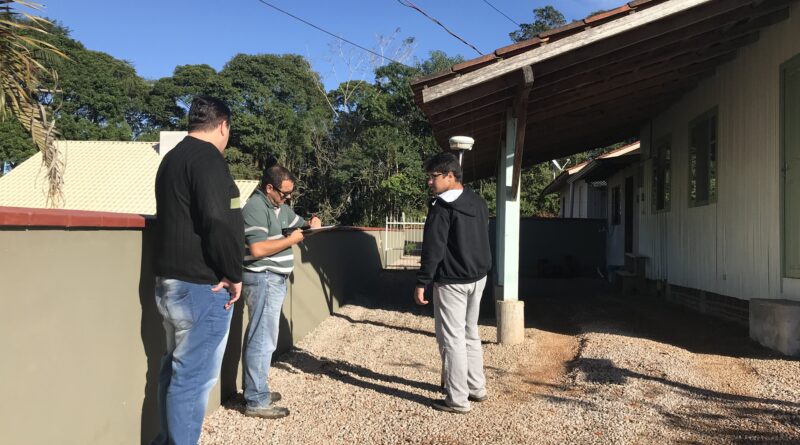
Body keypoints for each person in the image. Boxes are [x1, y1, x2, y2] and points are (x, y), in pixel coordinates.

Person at [152, 96, 244, 444]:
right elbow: (217, 220)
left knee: (173, 372)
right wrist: (233, 273)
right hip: (200, 286)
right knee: (192, 381)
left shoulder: (172, 159)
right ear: (223, 125)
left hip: (170, 283)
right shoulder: (209, 160)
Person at [240, 165, 321, 419]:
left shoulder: (280, 208)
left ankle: (257, 389)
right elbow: (257, 249)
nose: (288, 198)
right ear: (269, 188)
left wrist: (312, 223)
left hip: (274, 279)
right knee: (262, 339)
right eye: (284, 194)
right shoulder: (255, 207)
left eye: (290, 194)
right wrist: (291, 240)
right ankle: (256, 399)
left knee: (266, 338)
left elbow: (300, 224)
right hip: (262, 278)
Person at [414, 151, 492, 414]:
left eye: (432, 177)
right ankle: (476, 388)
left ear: (449, 175)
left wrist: (422, 281)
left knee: (452, 339)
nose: (429, 182)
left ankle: (457, 399)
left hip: (451, 282)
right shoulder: (478, 201)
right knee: (470, 333)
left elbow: (433, 249)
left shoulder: (443, 207)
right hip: (477, 278)